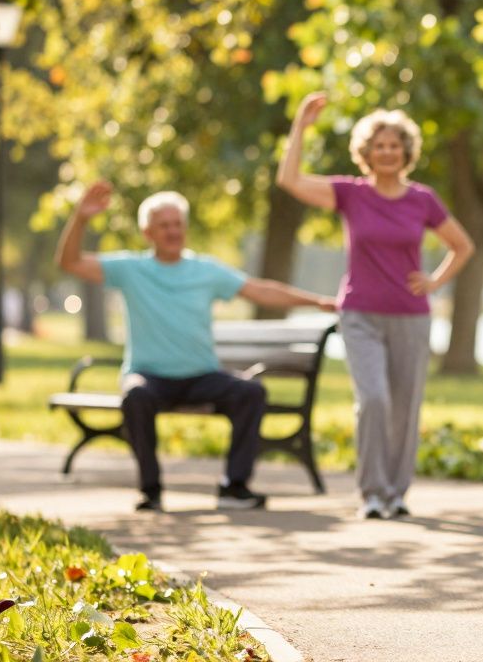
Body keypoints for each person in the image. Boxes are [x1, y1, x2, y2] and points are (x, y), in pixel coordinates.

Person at [56, 180, 336, 512]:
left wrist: (316, 301)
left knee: (251, 392)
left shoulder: (206, 270)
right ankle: (151, 489)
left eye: (178, 225)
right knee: (135, 395)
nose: (173, 232)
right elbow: (70, 263)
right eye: (164, 226)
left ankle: (235, 487)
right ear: (148, 233)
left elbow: (260, 291)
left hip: (202, 376)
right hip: (149, 377)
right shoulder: (130, 269)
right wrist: (81, 218)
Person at [276, 92, 475, 520]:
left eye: (394, 144)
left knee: (405, 405)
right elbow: (290, 181)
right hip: (360, 313)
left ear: (406, 151)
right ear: (366, 152)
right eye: (379, 145)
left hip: (411, 316)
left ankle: (396, 493)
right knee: (374, 400)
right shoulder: (350, 194)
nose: (387, 151)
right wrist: (300, 127)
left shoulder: (422, 199)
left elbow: (461, 246)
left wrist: (435, 281)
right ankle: (371, 493)